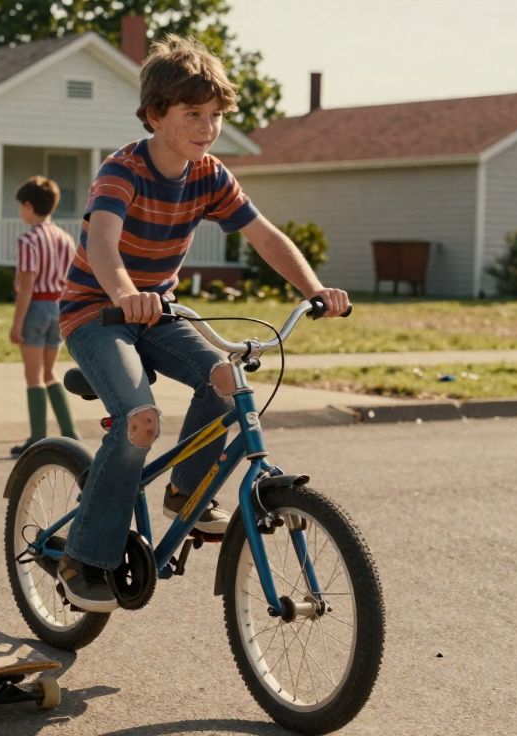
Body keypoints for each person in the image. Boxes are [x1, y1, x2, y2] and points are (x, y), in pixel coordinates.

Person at [55, 35, 351, 612]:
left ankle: (186, 490)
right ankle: (83, 558)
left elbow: (264, 235)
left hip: (159, 313)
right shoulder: (123, 170)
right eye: (194, 114)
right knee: (140, 422)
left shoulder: (210, 175)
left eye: (215, 115)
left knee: (227, 377)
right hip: (97, 312)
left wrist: (314, 289)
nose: (208, 126)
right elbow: (103, 242)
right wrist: (126, 293)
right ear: (155, 114)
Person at [8, 176, 80, 457]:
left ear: (28, 206)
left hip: (36, 307)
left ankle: (36, 438)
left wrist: (17, 324)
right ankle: (70, 431)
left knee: (33, 376)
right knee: (50, 372)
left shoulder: (29, 240)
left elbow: (26, 285)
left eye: (20, 207)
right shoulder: (65, 238)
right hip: (59, 309)